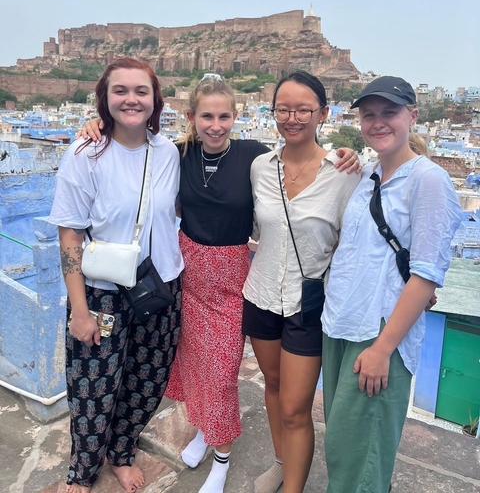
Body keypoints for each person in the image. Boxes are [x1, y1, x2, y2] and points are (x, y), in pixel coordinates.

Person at [81, 74, 359, 493]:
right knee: (193, 364)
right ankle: (203, 432)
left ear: (236, 116)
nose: (215, 125)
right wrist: (98, 124)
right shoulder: (175, 154)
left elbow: (303, 166)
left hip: (233, 281)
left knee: (221, 371)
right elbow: (131, 148)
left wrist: (348, 153)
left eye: (224, 116)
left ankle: (223, 458)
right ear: (191, 117)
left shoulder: (255, 156)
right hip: (186, 273)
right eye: (206, 116)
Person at [321, 76, 463, 493]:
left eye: (390, 113)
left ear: (413, 117)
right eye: (370, 115)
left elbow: (426, 275)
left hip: (380, 332)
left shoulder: (428, 180)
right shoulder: (367, 177)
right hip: (343, 323)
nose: (378, 122)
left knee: (363, 458)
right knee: (344, 448)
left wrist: (383, 349)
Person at [49, 58, 184, 493]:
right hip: (102, 291)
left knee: (147, 378)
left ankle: (121, 451)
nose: (131, 99)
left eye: (141, 91)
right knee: (93, 386)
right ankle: (82, 471)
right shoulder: (85, 153)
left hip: (159, 285)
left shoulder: (167, 152)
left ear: (155, 99)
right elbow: (69, 235)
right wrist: (79, 311)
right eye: (120, 91)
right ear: (104, 99)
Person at [242, 70, 361, 493]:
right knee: (272, 388)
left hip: (308, 305)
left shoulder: (345, 174)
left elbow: (354, 244)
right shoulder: (260, 167)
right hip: (259, 295)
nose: (292, 118)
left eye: (303, 109)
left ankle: (293, 487)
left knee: (296, 408)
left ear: (323, 113)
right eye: (283, 109)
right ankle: (281, 462)